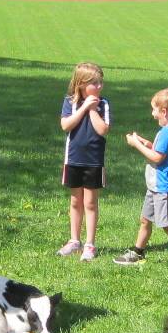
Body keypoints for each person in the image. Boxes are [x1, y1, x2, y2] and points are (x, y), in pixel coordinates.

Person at [116, 88, 168, 276]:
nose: (152, 113)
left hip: (164, 188)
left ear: (164, 111)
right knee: (145, 220)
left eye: (154, 109)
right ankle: (137, 252)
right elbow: (159, 151)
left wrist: (137, 145)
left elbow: (157, 158)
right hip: (155, 186)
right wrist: (145, 142)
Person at [57, 62, 110, 261]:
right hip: (73, 159)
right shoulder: (70, 102)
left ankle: (90, 244)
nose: (99, 87)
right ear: (81, 84)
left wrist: (92, 109)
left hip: (94, 161)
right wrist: (83, 107)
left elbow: (103, 130)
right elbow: (66, 125)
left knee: (90, 202)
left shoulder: (103, 104)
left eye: (100, 82)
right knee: (75, 201)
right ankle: (74, 240)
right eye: (94, 83)